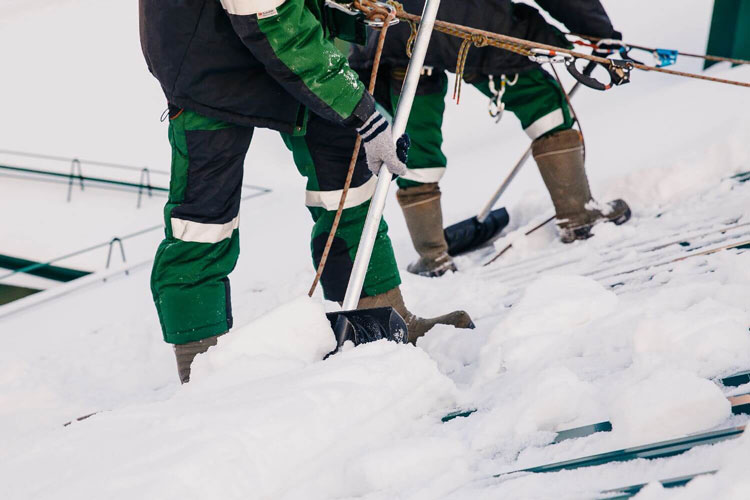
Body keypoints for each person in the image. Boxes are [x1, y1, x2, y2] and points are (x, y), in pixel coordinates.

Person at [138, 0, 473, 382]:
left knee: (346, 167)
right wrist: (364, 113)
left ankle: (381, 316)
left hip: (280, 41)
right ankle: (201, 370)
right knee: (203, 218)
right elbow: (274, 21)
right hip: (209, 63)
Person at [349, 0, 632, 277]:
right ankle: (579, 216)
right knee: (541, 100)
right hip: (470, 23)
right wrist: (600, 33)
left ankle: (433, 256)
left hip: (390, 32)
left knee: (414, 139)